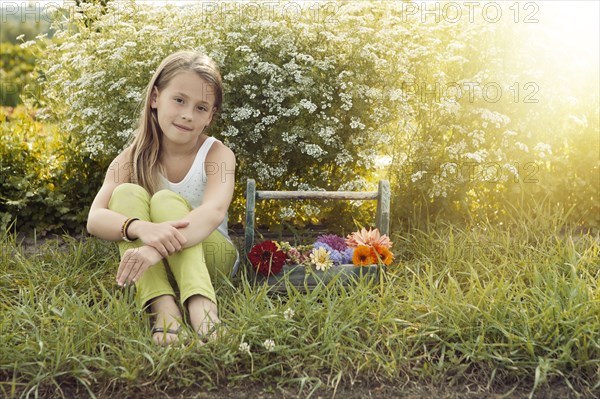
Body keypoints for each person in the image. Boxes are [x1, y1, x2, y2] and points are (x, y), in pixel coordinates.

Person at [86, 50, 239, 346]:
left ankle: (201, 306)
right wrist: (140, 228)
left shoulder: (218, 155)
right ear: (155, 98)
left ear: (210, 116)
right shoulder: (131, 158)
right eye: (179, 100)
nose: (187, 115)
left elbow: (213, 212)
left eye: (201, 108)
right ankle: (163, 307)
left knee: (165, 201)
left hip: (212, 256)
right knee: (126, 193)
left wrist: (155, 249)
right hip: (156, 265)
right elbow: (95, 218)